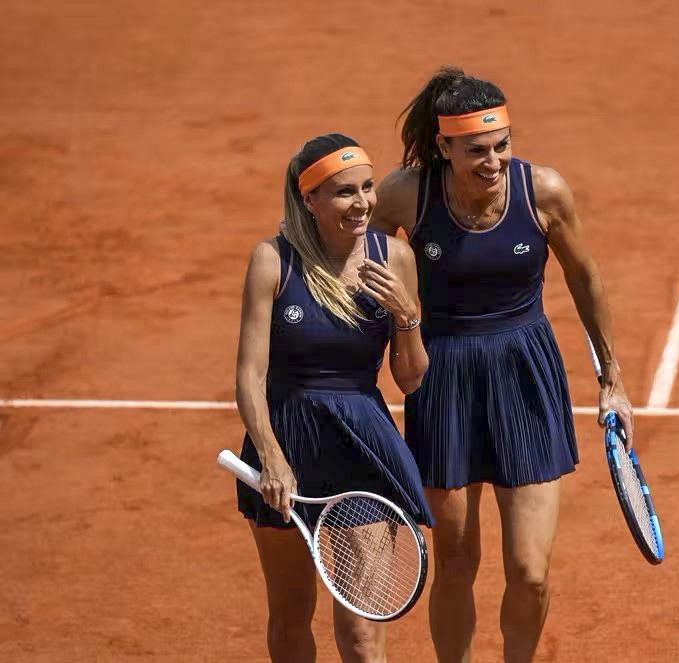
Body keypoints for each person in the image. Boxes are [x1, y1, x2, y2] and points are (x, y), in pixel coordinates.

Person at [371, 67, 636, 663]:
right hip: (444, 381)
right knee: (457, 562)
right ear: (444, 147)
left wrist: (612, 378)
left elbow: (584, 276)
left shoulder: (543, 191)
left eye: (501, 145)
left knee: (530, 571)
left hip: (526, 375)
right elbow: (359, 265)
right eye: (475, 150)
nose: (492, 160)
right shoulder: (404, 194)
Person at [234, 132, 432, 663]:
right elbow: (250, 376)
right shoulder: (272, 261)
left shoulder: (395, 259)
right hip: (287, 442)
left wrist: (406, 314)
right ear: (310, 200)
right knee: (291, 618)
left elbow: (410, 379)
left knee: (364, 636)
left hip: (361, 446)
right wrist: (272, 458)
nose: (363, 202)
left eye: (367, 188)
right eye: (345, 192)